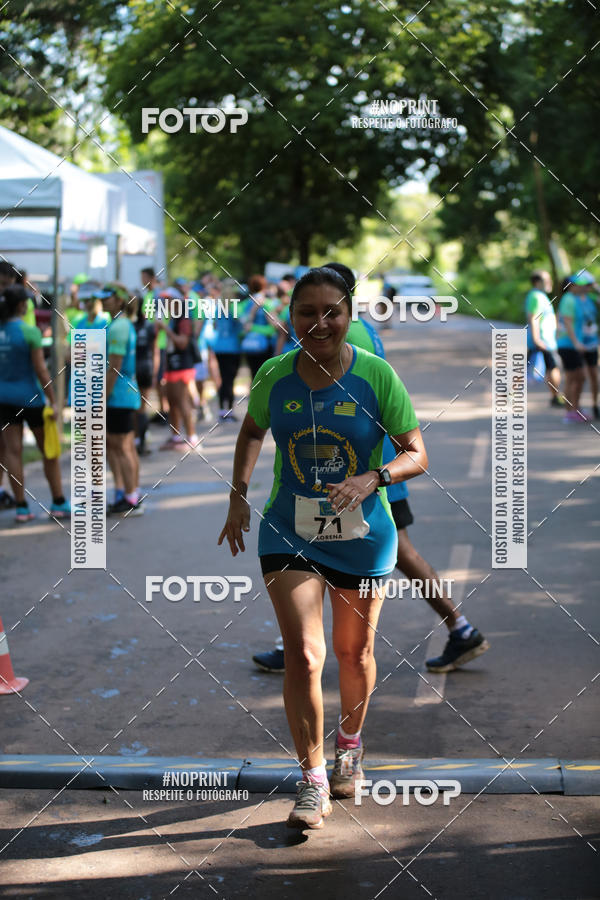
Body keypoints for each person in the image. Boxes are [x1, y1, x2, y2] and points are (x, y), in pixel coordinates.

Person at [219, 266, 427, 829]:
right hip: (289, 529)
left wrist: (374, 478)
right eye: (307, 312)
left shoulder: (377, 377)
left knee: (353, 654)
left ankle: (350, 745)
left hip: (362, 536)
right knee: (305, 656)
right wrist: (238, 497)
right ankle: (311, 780)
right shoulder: (274, 375)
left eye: (331, 311)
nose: (320, 322)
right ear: (290, 318)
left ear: (349, 316)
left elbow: (416, 452)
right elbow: (251, 430)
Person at [253, 262, 489, 676]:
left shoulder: (350, 336)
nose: (319, 321)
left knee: (394, 552)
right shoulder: (363, 326)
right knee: (381, 550)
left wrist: (374, 476)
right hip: (362, 470)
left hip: (366, 474)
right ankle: (299, 638)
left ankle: (459, 625)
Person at [0, 285, 70, 522]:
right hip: (31, 400)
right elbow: (41, 370)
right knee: (48, 450)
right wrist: (54, 400)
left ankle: (21, 507)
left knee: (12, 452)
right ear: (21, 306)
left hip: (3, 400)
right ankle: (59, 502)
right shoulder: (30, 332)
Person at [100, 284, 143, 515]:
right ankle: (130, 494)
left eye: (107, 297)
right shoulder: (122, 324)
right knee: (124, 447)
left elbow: (113, 369)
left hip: (118, 396)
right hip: (124, 394)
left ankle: (130, 498)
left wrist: (101, 401)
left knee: (122, 447)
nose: (103, 301)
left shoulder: (118, 326)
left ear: (119, 300)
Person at [155, 289, 199, 449]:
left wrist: (165, 329)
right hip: (172, 365)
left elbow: (182, 342)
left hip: (183, 365)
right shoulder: (172, 317)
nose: (165, 303)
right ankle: (176, 438)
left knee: (182, 401)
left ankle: (192, 437)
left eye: (168, 300)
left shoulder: (183, 318)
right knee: (172, 402)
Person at [556, 271, 597, 423]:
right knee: (574, 378)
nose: (583, 288)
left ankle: (575, 408)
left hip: (573, 345)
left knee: (578, 378)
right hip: (568, 345)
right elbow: (567, 323)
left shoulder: (576, 299)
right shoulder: (568, 299)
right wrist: (576, 343)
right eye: (580, 286)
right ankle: (570, 412)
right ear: (571, 286)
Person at [525, 270, 562, 406]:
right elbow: (533, 317)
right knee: (553, 367)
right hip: (542, 340)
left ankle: (555, 397)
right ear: (537, 282)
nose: (550, 283)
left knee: (530, 366)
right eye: (546, 280)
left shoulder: (541, 296)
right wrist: (536, 339)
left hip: (545, 340)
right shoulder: (536, 296)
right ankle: (555, 397)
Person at [210, 279, 243, 420]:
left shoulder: (218, 307)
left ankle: (221, 409)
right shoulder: (234, 308)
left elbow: (214, 325)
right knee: (230, 379)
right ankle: (229, 410)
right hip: (233, 347)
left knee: (223, 378)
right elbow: (241, 327)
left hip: (219, 346)